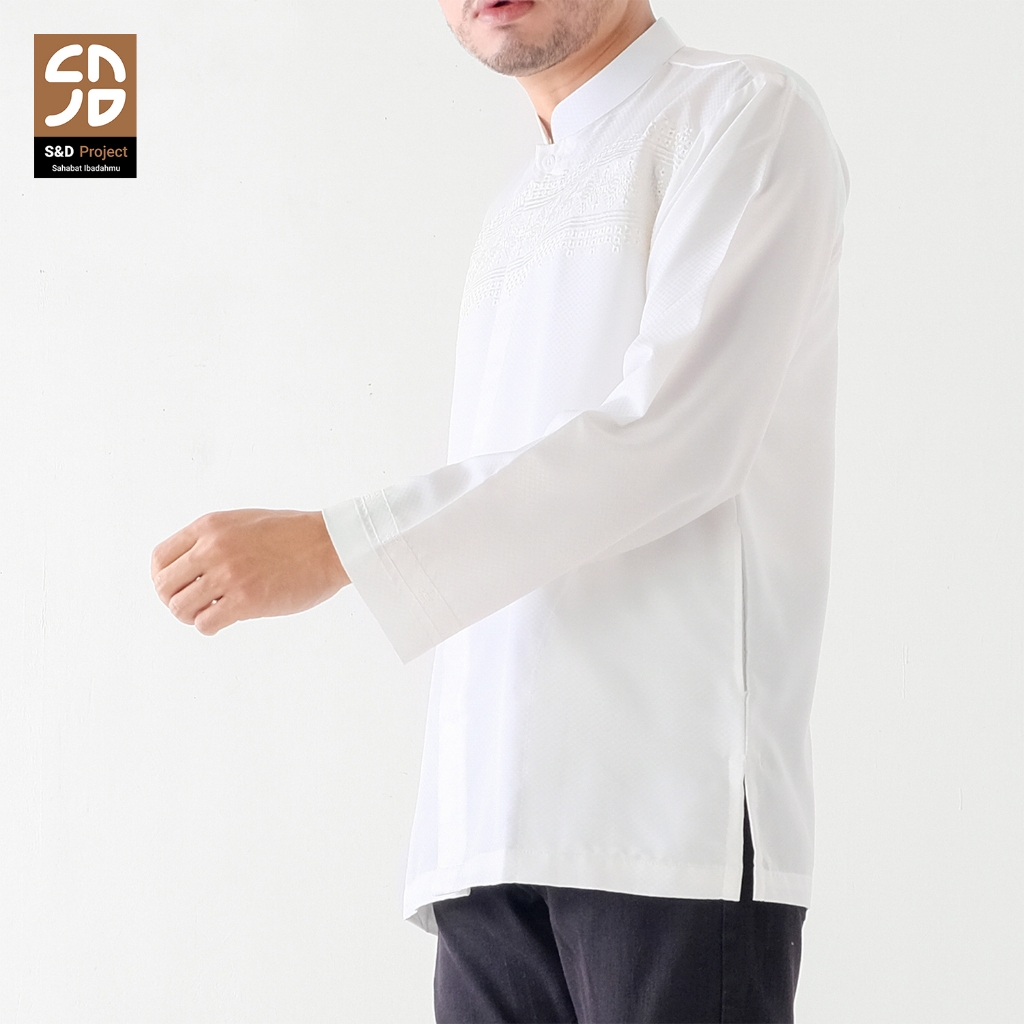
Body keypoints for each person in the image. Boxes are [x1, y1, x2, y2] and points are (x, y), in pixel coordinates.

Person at [152, 1, 849, 1020]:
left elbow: (679, 438)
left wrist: (339, 544)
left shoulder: (741, 112)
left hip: (668, 823)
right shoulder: (517, 203)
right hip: (482, 839)